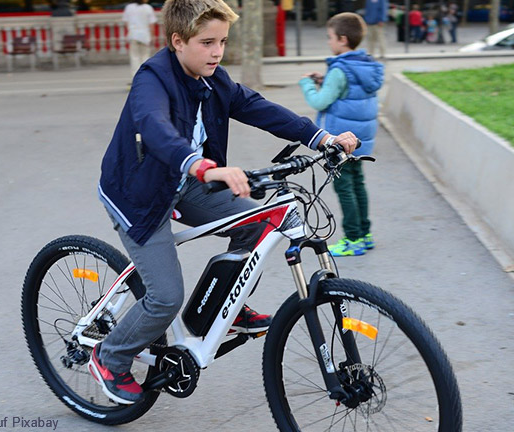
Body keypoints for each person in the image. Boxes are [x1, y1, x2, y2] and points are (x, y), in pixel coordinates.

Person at [90, 0, 361, 405]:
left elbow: (255, 106)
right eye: (207, 42)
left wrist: (320, 137)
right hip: (140, 193)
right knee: (164, 297)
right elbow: (155, 127)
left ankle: (223, 307)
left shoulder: (213, 78)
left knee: (258, 222)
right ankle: (110, 356)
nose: (218, 52)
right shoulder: (153, 79)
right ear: (178, 42)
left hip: (189, 180)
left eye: (223, 41)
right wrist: (202, 167)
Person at [299, 12, 383, 257]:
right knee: (358, 184)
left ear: (343, 39)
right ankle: (364, 234)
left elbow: (320, 101)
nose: (329, 42)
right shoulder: (365, 65)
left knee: (345, 188)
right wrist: (326, 79)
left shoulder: (340, 70)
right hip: (360, 138)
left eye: (330, 37)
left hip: (340, 140)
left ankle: (353, 238)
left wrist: (306, 84)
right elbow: (350, 91)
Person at [122, 0, 157, 77]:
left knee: (134, 57)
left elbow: (126, 22)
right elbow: (151, 24)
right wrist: (152, 36)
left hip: (133, 34)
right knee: (145, 56)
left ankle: (135, 77)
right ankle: (145, 76)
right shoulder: (148, 8)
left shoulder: (129, 7)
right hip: (145, 35)